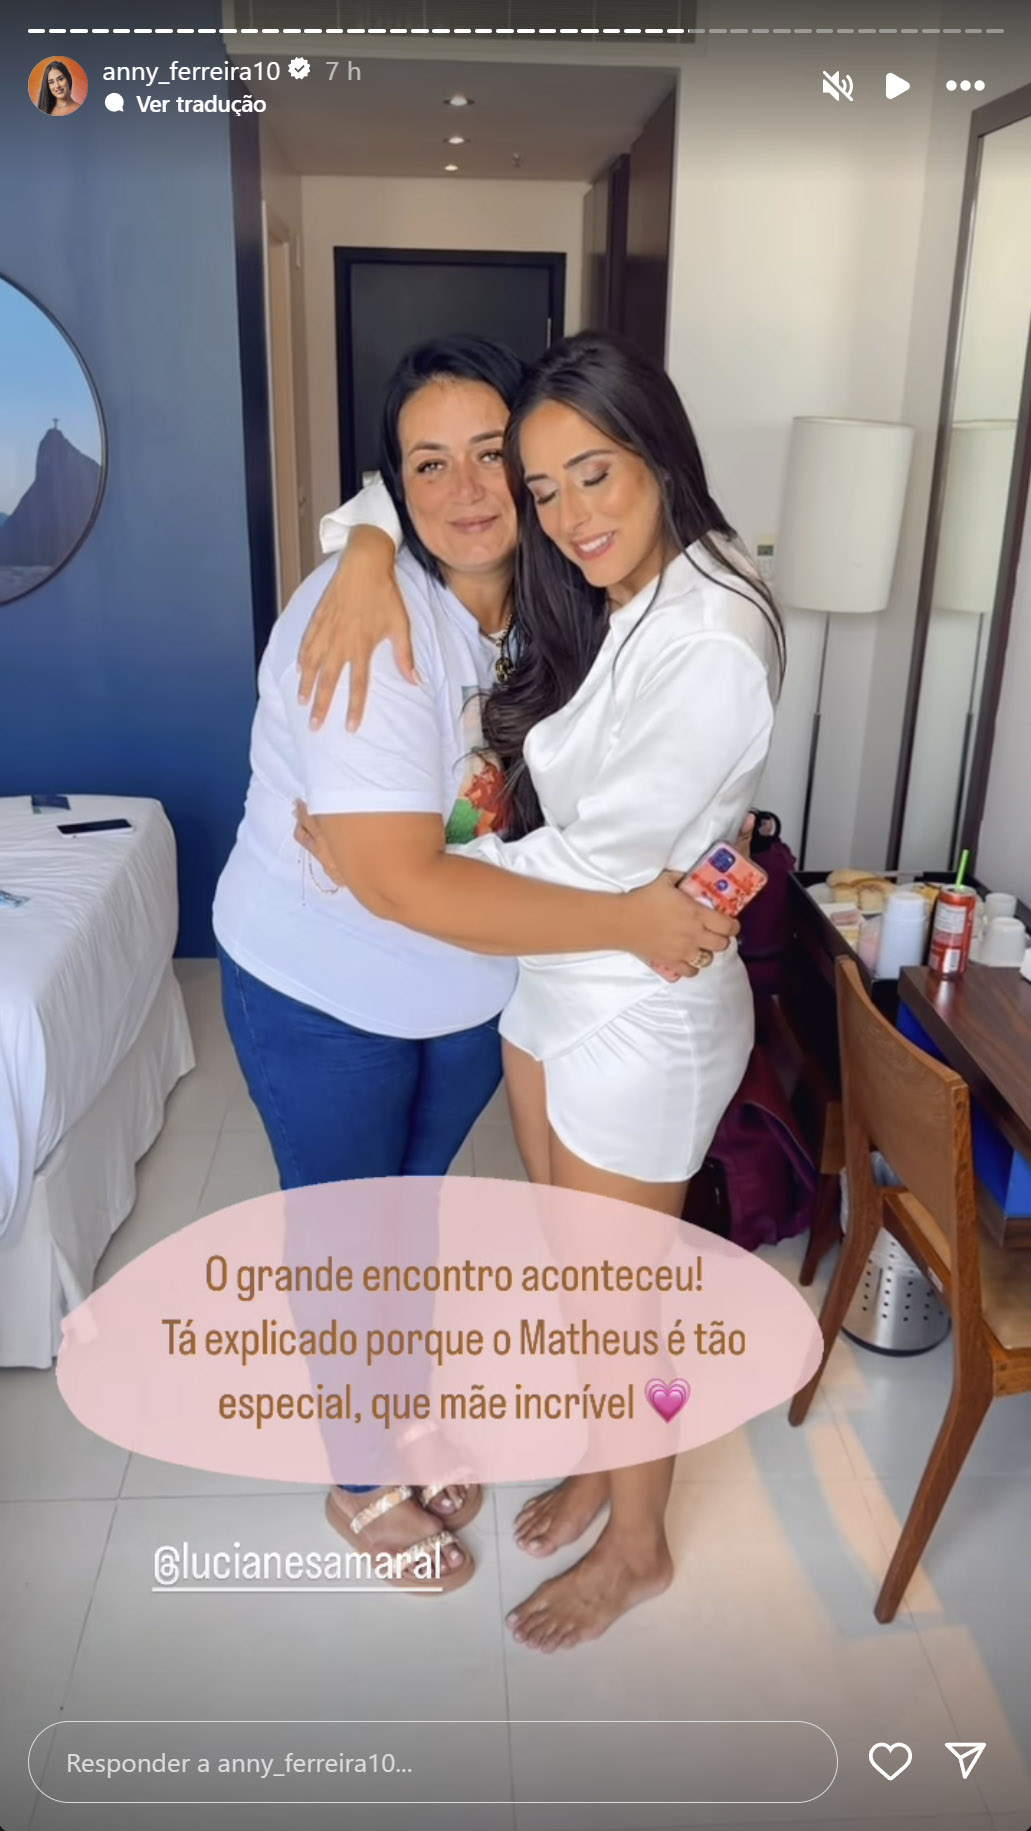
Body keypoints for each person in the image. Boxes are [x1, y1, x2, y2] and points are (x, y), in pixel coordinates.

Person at [212, 334, 734, 1596]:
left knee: (408, 1217)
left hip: (465, 988)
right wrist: (361, 551)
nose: (466, 491)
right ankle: (358, 1475)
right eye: (424, 466)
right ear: (392, 486)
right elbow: (398, 881)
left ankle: (395, 1415)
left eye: (494, 456)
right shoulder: (365, 618)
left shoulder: (565, 597)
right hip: (323, 987)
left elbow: (502, 815)